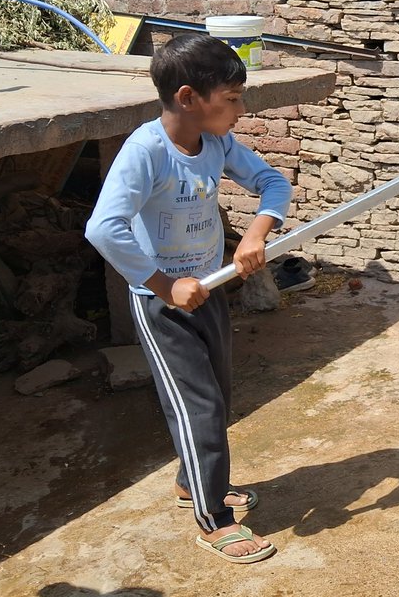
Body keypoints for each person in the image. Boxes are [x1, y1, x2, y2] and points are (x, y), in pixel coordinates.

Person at [85, 34, 292, 563]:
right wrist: (162, 285)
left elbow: (272, 182)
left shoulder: (217, 143)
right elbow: (105, 229)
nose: (241, 110)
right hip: (163, 306)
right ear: (187, 97)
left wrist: (254, 234)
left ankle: (192, 483)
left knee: (215, 398)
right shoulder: (146, 151)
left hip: (211, 289)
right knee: (196, 406)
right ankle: (213, 519)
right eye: (232, 97)